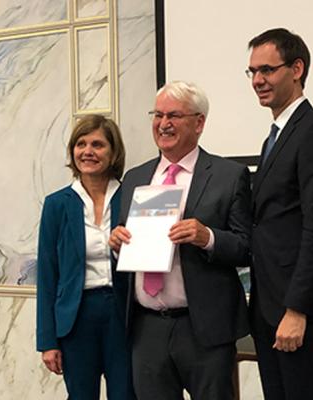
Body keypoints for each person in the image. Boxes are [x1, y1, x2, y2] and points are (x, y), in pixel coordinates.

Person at [108, 81, 251, 400]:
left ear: (199, 123)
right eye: (157, 115)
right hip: (147, 328)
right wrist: (117, 241)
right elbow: (123, 240)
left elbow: (246, 247)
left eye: (174, 115)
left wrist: (208, 237)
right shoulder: (135, 178)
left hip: (203, 328)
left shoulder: (229, 175)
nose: (163, 123)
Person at [246, 28, 313, 400]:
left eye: (267, 70)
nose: (258, 80)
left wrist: (297, 310)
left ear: (296, 68)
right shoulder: (275, 136)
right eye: (252, 72)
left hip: (301, 311)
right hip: (269, 306)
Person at [36, 114, 134, 399]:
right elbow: (47, 274)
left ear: (113, 152)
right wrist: (47, 341)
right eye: (81, 144)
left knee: (126, 394)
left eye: (98, 144)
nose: (88, 151)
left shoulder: (132, 195)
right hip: (76, 319)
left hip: (123, 315)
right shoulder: (56, 205)